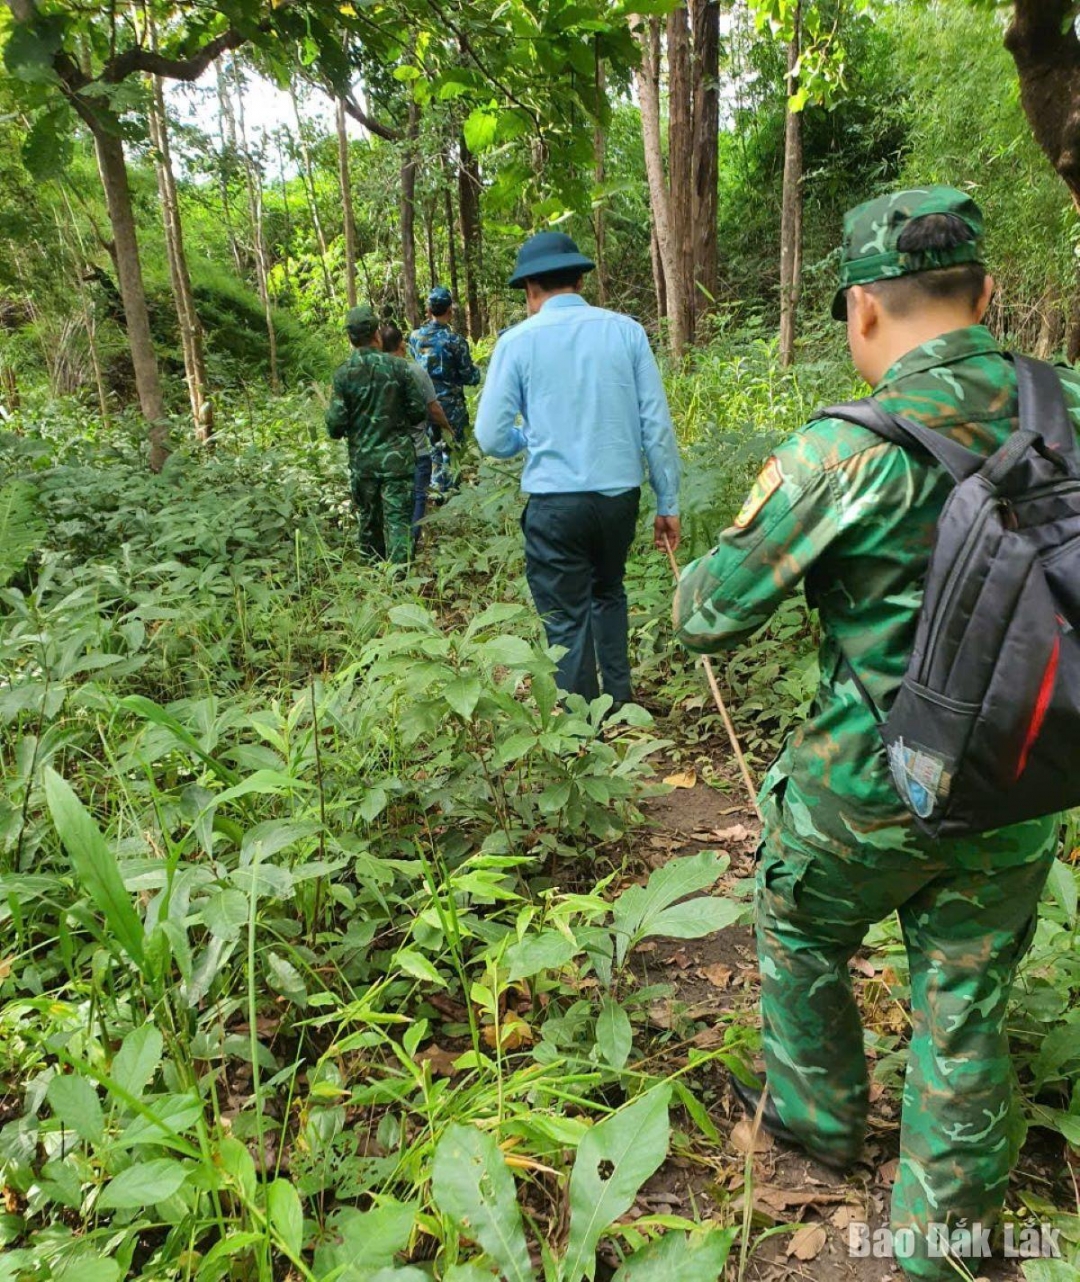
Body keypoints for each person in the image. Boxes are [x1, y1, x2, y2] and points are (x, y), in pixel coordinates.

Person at [672, 187, 1080, 1281]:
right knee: (967, 997)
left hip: (869, 787)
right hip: (1027, 772)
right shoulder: (1067, 405)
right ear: (987, 295)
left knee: (801, 925)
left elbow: (708, 613)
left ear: (861, 312)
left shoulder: (842, 451)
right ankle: (943, 1239)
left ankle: (813, 1124)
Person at [475, 230, 681, 709]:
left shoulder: (517, 342)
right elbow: (656, 425)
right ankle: (620, 701)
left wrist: (528, 439)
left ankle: (583, 725)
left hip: (556, 503)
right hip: (618, 498)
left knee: (565, 615)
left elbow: (490, 436)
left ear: (529, 290)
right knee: (607, 590)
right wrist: (667, 501)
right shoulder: (626, 331)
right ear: (579, 278)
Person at [325, 304, 428, 564]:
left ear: (350, 338)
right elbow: (417, 412)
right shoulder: (399, 368)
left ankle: (373, 584)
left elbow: (335, 427)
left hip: (364, 464)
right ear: (376, 334)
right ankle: (401, 587)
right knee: (398, 524)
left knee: (369, 525)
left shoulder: (343, 375)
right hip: (398, 462)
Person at [379, 323, 454, 549]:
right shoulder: (415, 371)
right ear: (401, 345)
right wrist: (448, 428)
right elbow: (434, 409)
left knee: (390, 501)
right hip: (417, 450)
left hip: (385, 451)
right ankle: (410, 544)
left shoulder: (376, 374)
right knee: (417, 496)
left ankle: (391, 547)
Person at [409, 286, 481, 447]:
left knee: (434, 454)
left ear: (428, 309)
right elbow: (470, 376)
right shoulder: (454, 341)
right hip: (451, 409)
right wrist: (476, 372)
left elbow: (418, 363)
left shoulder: (415, 337)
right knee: (454, 457)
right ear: (450, 310)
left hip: (426, 406)